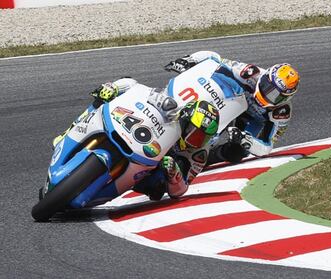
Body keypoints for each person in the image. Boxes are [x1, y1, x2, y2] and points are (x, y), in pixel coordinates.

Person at [52, 78, 220, 202]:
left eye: (204, 137)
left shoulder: (200, 153)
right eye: (195, 133)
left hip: (149, 169)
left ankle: (103, 191)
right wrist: (114, 87)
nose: (197, 140)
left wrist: (174, 173)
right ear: (185, 119)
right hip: (136, 134)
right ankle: (69, 131)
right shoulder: (172, 110)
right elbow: (135, 87)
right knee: (102, 99)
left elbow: (181, 191)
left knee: (157, 188)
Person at [164, 51, 300, 163]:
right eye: (267, 87)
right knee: (206, 117)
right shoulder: (250, 73)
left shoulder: (282, 113)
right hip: (233, 101)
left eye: (277, 96)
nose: (268, 94)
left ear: (286, 98)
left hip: (252, 120)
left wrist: (245, 139)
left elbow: (267, 147)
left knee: (237, 153)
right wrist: (189, 60)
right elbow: (215, 58)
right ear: (265, 77)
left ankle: (202, 160)